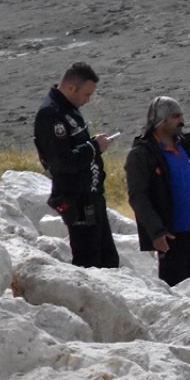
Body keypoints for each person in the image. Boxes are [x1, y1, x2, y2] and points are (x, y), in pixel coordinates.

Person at [125, 97, 190, 287]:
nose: (182, 121)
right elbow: (138, 197)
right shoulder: (141, 155)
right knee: (177, 293)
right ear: (160, 121)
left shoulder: (187, 146)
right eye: (175, 117)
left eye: (182, 115)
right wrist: (156, 232)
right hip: (173, 239)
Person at [33, 62, 119, 268]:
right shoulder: (50, 114)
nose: (87, 100)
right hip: (76, 200)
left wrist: (93, 144)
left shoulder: (70, 109)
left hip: (92, 196)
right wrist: (94, 147)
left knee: (109, 260)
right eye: (86, 94)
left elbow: (76, 145)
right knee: (90, 261)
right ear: (72, 87)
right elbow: (61, 161)